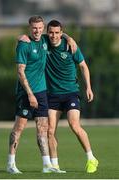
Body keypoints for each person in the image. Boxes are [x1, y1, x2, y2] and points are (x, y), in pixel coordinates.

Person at [45, 20, 99, 173]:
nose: (54, 35)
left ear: (61, 33)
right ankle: (54, 165)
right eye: (51, 32)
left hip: (70, 93)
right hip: (52, 95)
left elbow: (83, 66)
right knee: (50, 131)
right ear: (47, 32)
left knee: (74, 125)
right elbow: (31, 36)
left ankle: (91, 158)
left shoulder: (70, 46)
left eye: (57, 33)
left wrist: (88, 87)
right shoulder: (43, 43)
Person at [7, 15, 56, 174]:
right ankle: (11, 164)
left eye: (40, 28)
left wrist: (70, 39)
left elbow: (59, 33)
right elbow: (20, 72)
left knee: (43, 128)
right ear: (30, 28)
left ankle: (46, 165)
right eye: (35, 28)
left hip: (41, 92)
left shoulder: (44, 40)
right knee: (19, 127)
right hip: (26, 93)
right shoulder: (24, 44)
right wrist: (30, 94)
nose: (38, 31)